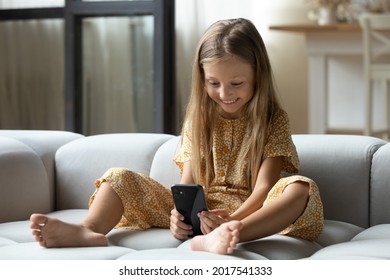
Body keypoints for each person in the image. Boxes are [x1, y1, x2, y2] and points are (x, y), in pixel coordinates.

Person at [30, 18, 324, 255]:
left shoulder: (273, 120)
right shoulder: (198, 120)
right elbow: (187, 184)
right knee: (118, 177)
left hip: (251, 212)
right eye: (214, 83)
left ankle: (228, 237)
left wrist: (233, 221)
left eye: (236, 83)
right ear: (202, 78)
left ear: (258, 76)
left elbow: (263, 189)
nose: (224, 94)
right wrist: (178, 215)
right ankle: (89, 228)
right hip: (202, 211)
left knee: (300, 188)